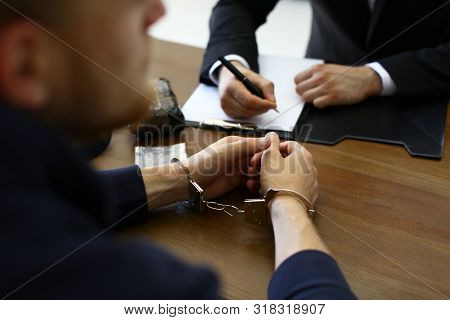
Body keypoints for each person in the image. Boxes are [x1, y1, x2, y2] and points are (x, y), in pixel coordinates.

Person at [0, 0, 355, 299]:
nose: (158, 12)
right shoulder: (136, 289)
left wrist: (181, 176)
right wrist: (288, 202)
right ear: (26, 63)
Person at [200, 0, 450, 118]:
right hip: (314, 98)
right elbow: (237, 5)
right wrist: (231, 66)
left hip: (428, 96)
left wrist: (376, 76)